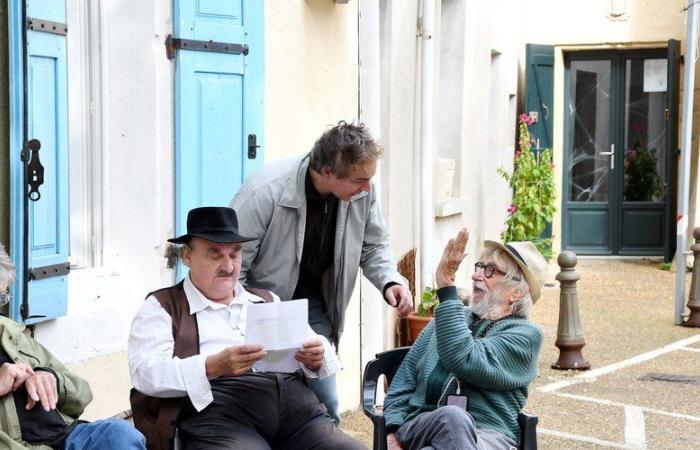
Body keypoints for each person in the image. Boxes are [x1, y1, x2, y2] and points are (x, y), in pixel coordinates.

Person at [128, 207, 366, 450]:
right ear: (187, 256)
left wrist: (316, 356)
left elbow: (317, 346)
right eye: (215, 254)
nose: (229, 266)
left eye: (235, 254)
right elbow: (145, 373)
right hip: (223, 416)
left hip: (298, 414)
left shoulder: (266, 299)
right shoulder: (162, 306)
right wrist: (212, 366)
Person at [230, 120, 413, 421]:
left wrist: (390, 281)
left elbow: (374, 245)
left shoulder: (362, 192)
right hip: (262, 308)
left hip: (316, 306)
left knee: (325, 396)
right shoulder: (265, 192)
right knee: (264, 397)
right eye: (359, 180)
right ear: (328, 172)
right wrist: (253, 313)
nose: (367, 188)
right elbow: (234, 267)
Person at [383, 229, 547, 450]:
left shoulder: (526, 336)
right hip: (422, 426)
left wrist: (446, 287)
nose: (476, 275)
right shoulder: (446, 319)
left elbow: (464, 357)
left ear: (516, 291)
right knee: (453, 417)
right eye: (479, 266)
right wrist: (392, 431)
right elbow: (403, 382)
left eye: (490, 270)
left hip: (488, 437)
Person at [0, 243, 146, 450]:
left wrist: (50, 378)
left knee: (119, 434)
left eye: (1, 297)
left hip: (67, 436)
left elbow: (82, 393)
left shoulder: (10, 333)